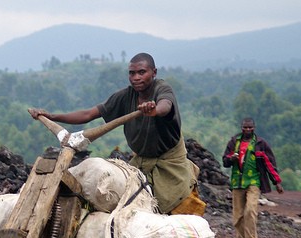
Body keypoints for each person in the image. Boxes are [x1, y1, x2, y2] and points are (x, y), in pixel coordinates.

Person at [28, 52, 205, 216]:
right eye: (132, 73)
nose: (136, 78)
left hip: (169, 166)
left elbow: (165, 106)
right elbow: (89, 114)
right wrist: (52, 116)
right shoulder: (125, 96)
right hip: (140, 163)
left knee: (173, 211)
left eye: (141, 72)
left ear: (154, 72)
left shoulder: (162, 89)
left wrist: (154, 110)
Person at [222, 117, 284, 238]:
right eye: (245, 127)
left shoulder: (260, 144)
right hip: (237, 182)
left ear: (254, 128)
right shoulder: (234, 142)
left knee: (250, 209)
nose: (248, 129)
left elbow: (269, 164)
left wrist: (277, 182)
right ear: (241, 128)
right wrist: (231, 158)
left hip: (254, 181)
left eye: (250, 127)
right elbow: (225, 160)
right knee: (238, 213)